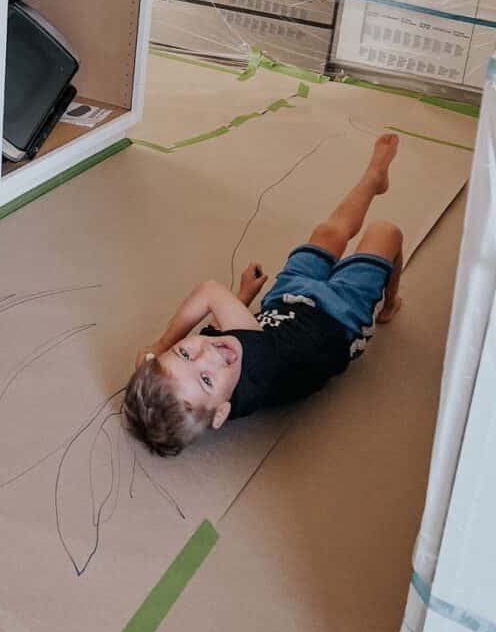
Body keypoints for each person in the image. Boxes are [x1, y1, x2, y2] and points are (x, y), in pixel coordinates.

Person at [124, 133, 403, 456]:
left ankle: (374, 178)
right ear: (222, 413)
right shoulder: (259, 366)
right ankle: (391, 305)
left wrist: (244, 295)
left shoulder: (221, 387)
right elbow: (210, 292)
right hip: (339, 318)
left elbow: (221, 334)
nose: (209, 355)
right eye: (206, 380)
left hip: (287, 302)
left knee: (328, 232)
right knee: (386, 232)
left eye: (184, 353)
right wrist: (161, 345)